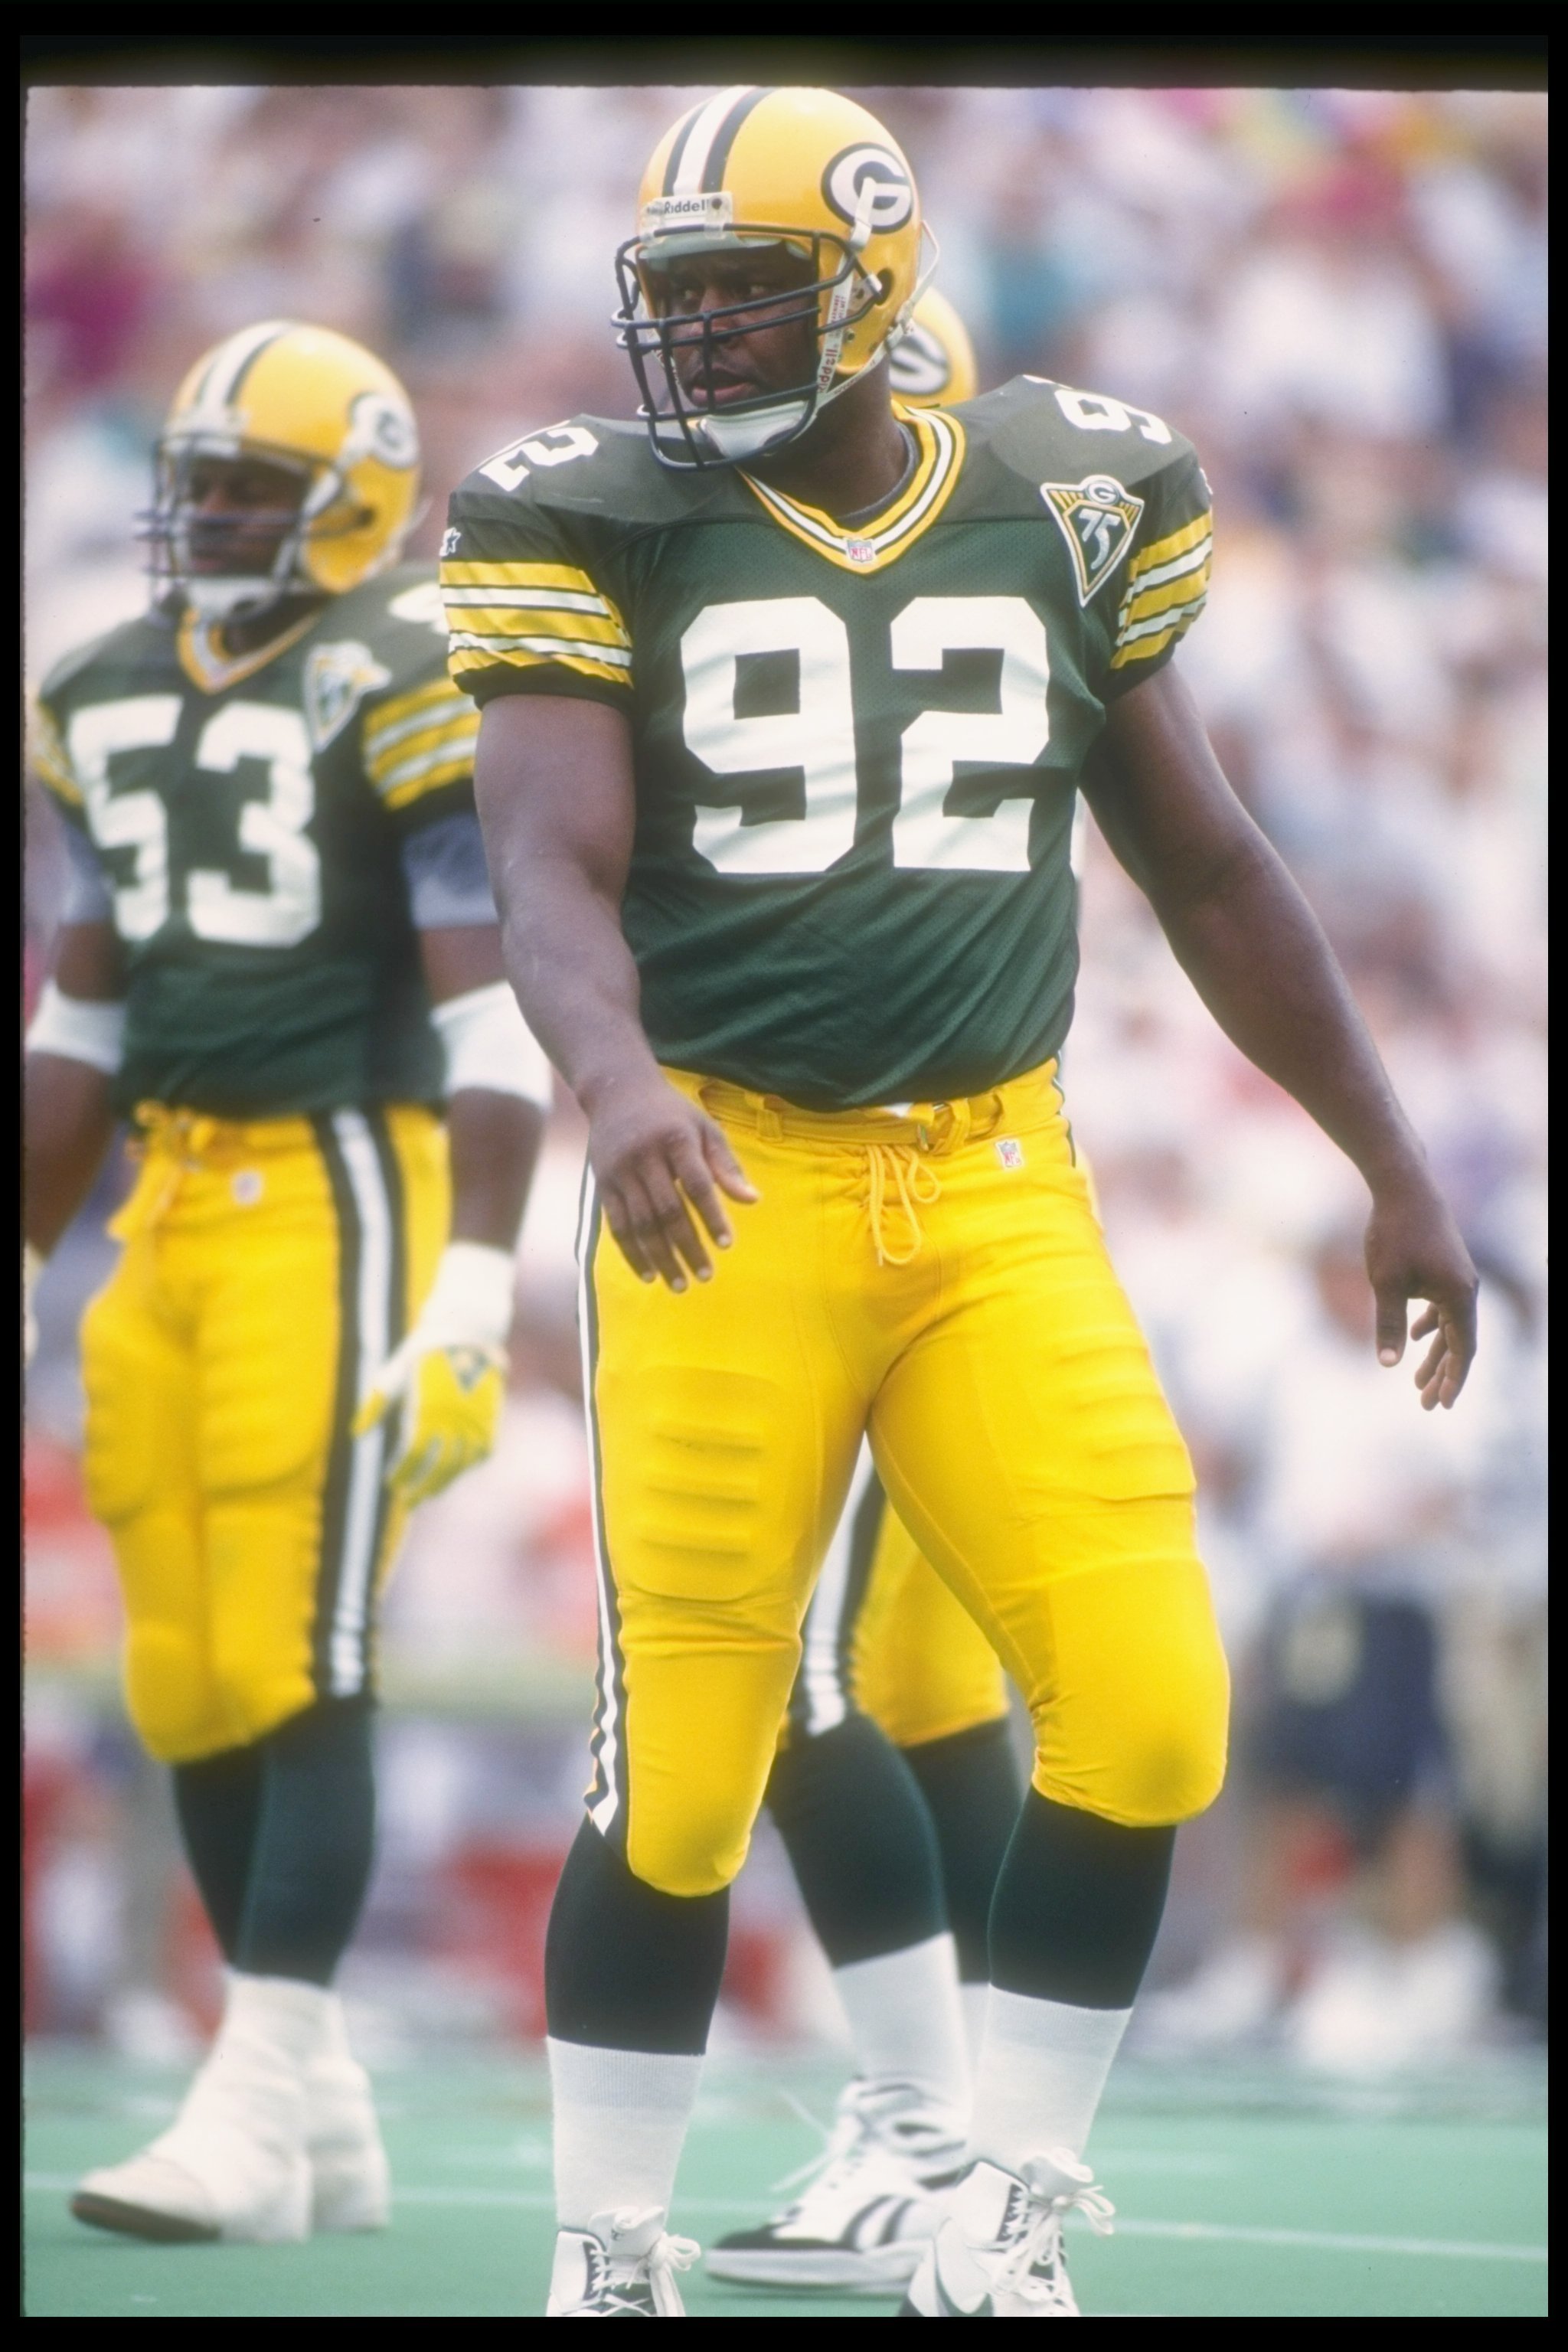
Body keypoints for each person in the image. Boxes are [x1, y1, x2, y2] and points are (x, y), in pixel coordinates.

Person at [443, 86, 1476, 2318]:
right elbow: (547, 868)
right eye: (679, 295)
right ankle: (605, 2257)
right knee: (688, 1773)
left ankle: (997, 2218)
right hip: (728, 1186)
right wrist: (616, 1084)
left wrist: (1391, 1163)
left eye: (748, 292)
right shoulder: (592, 514)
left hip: (995, 1181)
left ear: (877, 279)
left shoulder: (1062, 500)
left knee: (1153, 1704)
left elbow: (1210, 864)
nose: (702, 337)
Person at [24, 320, 552, 2246]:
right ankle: (314, 2113)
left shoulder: (399, 667)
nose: (211, 516)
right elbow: (81, 1012)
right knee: (182, 1672)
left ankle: (253, 2099)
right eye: (200, 481)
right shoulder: (100, 688)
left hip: (341, 1185)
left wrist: (472, 1281)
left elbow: (488, 1011)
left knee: (303, 1653)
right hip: (166, 1205)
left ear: (353, 505)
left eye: (252, 488)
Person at [710, 285, 1027, 2295]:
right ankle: (962, 2127)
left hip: (835, 1194)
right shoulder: (1004, 593)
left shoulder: (782, 604)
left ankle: (929, 2128)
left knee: (788, 1672)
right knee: (919, 1686)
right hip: (979, 1173)